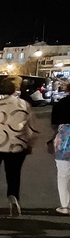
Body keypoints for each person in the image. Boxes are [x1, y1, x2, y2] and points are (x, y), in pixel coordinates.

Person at [0, 75, 39, 216]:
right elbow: (32, 128)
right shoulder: (25, 105)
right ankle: (13, 197)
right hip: (18, 144)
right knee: (14, 175)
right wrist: (30, 143)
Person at [48, 81, 70, 215]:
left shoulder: (60, 104)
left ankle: (65, 206)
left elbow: (54, 124)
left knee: (63, 174)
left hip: (64, 139)